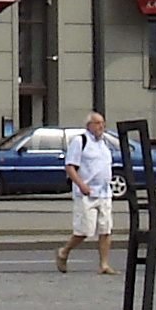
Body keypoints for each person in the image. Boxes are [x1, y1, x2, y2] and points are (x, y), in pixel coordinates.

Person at [54, 112, 119, 275]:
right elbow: (70, 167)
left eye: (103, 123)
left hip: (104, 192)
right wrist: (81, 184)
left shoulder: (103, 143)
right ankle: (64, 251)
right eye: (97, 123)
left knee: (106, 229)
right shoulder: (80, 141)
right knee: (84, 231)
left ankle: (104, 264)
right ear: (89, 125)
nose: (101, 126)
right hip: (86, 193)